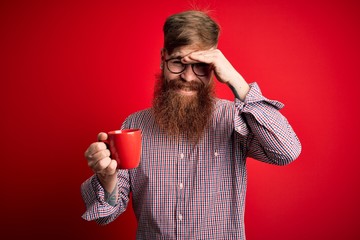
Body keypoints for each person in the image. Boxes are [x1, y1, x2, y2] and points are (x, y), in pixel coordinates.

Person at [81, 10, 302, 239]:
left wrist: (237, 81)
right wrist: (107, 178)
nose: (187, 77)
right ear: (162, 58)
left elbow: (286, 151)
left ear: (215, 68)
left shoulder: (233, 118)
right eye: (178, 62)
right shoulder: (135, 124)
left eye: (200, 66)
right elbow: (105, 215)